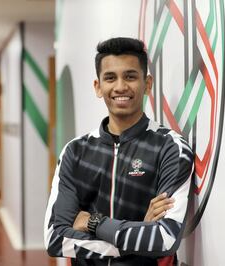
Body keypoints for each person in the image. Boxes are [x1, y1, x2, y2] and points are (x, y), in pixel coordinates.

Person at [44, 37, 194, 266]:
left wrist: (94, 222)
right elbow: (55, 239)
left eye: (130, 76)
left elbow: (165, 238)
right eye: (110, 78)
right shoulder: (74, 152)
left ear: (148, 84)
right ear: (98, 86)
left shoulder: (171, 147)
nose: (121, 87)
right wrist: (139, 237)